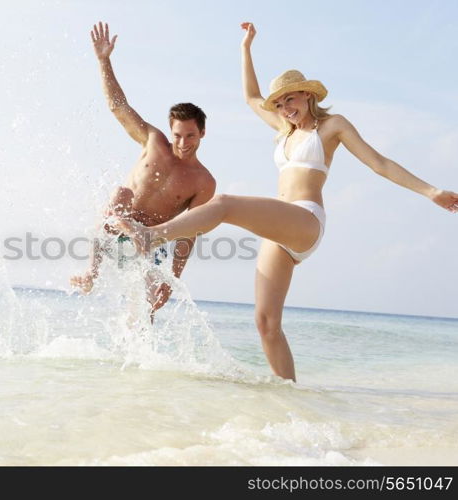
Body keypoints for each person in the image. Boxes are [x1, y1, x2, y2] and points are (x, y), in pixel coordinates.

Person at [117, 22, 458, 381]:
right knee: (265, 323)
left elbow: (380, 163)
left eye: (289, 100)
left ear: (307, 95)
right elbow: (251, 98)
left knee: (225, 203)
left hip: (305, 219)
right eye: (279, 104)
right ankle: (290, 397)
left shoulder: (332, 127)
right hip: (279, 233)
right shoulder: (284, 131)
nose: (284, 108)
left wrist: (431, 191)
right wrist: (246, 48)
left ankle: (151, 235)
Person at [70, 22, 216, 319]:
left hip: (150, 242)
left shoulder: (203, 182)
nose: (182, 142)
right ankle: (91, 274)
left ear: (202, 133)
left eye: (190, 135)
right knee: (121, 192)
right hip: (113, 230)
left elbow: (189, 234)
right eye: (177, 135)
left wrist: (173, 279)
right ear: (170, 131)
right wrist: (103, 61)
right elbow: (118, 106)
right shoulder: (153, 141)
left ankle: (142, 358)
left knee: (143, 312)